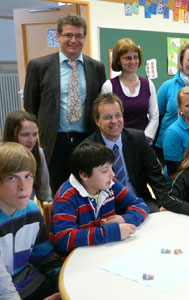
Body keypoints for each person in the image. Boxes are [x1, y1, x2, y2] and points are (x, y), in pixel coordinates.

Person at [23, 14, 106, 194]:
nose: (73, 40)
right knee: (55, 192)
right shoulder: (39, 66)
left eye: (79, 36)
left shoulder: (97, 67)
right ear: (58, 36)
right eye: (68, 35)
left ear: (85, 38)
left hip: (87, 139)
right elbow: (30, 106)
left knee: (88, 190)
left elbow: (100, 105)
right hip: (54, 142)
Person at [50, 142, 149, 255]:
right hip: (77, 259)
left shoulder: (110, 184)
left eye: (112, 167)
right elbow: (65, 239)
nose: (112, 174)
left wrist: (124, 219)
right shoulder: (66, 198)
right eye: (105, 171)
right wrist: (112, 232)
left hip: (105, 250)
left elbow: (140, 205)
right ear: (84, 175)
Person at [0, 142, 62, 300]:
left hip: (31, 282)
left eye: (27, 176)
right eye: (12, 178)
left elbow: (44, 256)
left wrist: (66, 281)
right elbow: (5, 291)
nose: (23, 186)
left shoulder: (32, 210)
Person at [85, 93, 166, 212]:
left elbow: (155, 175)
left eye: (118, 115)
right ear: (97, 121)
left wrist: (164, 204)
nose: (114, 121)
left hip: (139, 201)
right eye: (107, 117)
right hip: (105, 208)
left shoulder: (138, 139)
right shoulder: (89, 149)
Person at [101, 38, 159, 143]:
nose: (132, 62)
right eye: (127, 58)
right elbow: (105, 118)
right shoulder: (109, 86)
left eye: (135, 57)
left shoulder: (148, 84)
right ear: (119, 60)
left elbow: (154, 116)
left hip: (143, 142)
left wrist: (144, 139)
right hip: (117, 141)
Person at [2, 110, 52, 204]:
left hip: (26, 211)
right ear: (11, 134)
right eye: (25, 135)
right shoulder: (2, 156)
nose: (31, 140)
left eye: (34, 134)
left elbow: (44, 193)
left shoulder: (38, 153)